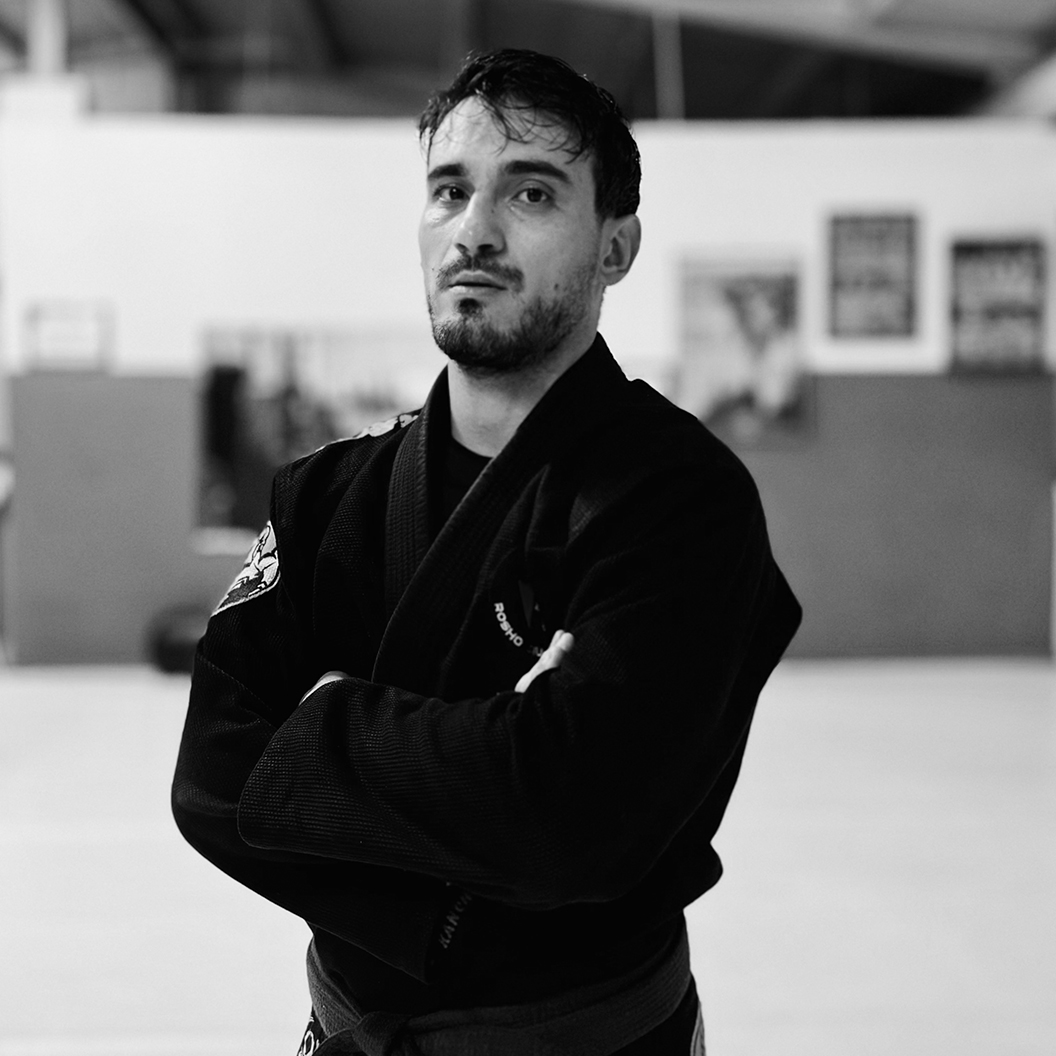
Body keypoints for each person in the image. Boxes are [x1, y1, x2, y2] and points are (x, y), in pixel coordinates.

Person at [172, 48, 801, 1056]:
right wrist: (481, 801)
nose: (475, 229)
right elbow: (211, 778)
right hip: (348, 1032)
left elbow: (574, 819)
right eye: (450, 190)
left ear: (616, 246)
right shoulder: (326, 495)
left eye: (532, 192)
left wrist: (320, 721)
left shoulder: (680, 502)